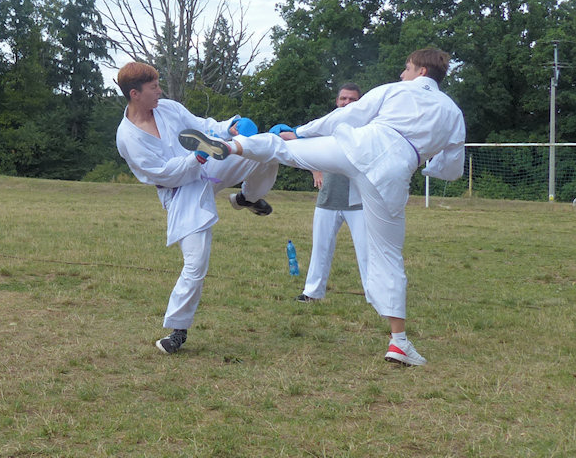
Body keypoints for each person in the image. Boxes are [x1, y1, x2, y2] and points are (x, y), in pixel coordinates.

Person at [178, 48, 465, 366]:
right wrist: (428, 167)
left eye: (407, 68)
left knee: (284, 148)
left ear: (422, 71)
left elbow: (347, 116)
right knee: (388, 256)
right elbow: (453, 168)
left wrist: (300, 132)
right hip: (394, 172)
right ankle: (398, 343)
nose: (402, 73)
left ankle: (230, 145)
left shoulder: (395, 90)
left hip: (358, 146)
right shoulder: (453, 113)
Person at [115, 62, 278, 355]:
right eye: (154, 87)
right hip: (181, 192)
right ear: (134, 94)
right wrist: (196, 158)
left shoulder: (168, 108)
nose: (159, 91)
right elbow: (163, 173)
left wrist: (229, 128)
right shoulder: (128, 138)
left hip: (207, 166)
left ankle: (247, 198)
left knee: (265, 151)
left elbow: (203, 127)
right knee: (196, 262)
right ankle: (178, 330)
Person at [296, 83, 368, 304]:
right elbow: (306, 146)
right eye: (343, 99)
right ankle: (312, 293)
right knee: (321, 249)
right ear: (337, 101)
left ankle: (375, 296)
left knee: (367, 251)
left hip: (359, 202)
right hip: (328, 198)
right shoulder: (327, 125)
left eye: (352, 99)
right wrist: (315, 170)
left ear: (360, 103)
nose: (347, 103)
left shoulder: (367, 127)